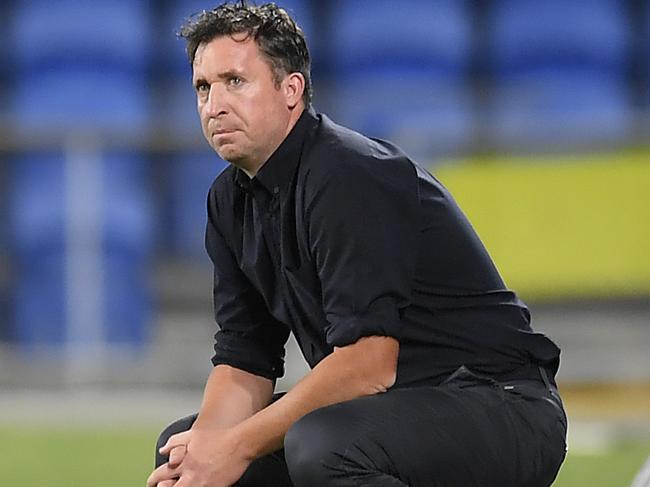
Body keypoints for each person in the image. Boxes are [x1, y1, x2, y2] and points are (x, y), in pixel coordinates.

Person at [147, 2, 568, 486]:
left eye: (234, 81)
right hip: (395, 409)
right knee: (180, 445)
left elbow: (368, 365)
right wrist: (204, 454)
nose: (213, 104)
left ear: (291, 90)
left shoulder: (347, 173)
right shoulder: (230, 200)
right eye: (203, 87)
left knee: (320, 444)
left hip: (502, 404)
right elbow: (245, 359)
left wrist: (235, 446)